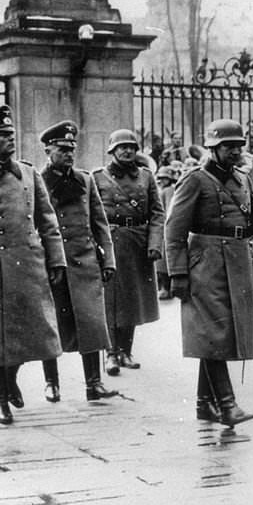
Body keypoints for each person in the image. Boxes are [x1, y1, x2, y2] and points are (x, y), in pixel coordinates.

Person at [0, 105, 66, 424]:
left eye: (12, 135)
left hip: (28, 265)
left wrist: (56, 259)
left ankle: (9, 380)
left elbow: (47, 220)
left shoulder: (29, 173)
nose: (11, 140)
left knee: (28, 330)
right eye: (3, 136)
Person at [165, 119, 253, 427]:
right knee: (212, 333)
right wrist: (178, 273)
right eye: (228, 146)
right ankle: (226, 404)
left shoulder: (243, 179)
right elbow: (174, 228)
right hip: (206, 262)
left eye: (239, 146)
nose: (236, 152)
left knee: (218, 333)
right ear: (213, 148)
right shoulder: (195, 180)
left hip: (237, 260)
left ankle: (203, 404)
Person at [38, 121, 119, 403]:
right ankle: (52, 383)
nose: (69, 154)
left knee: (92, 322)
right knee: (53, 324)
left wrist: (108, 259)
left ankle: (93, 384)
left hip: (85, 261)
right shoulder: (38, 181)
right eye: (62, 149)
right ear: (48, 150)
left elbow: (100, 222)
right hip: (54, 264)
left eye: (72, 149)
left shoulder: (85, 180)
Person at [94, 130, 165, 375]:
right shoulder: (98, 178)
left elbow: (157, 213)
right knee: (111, 299)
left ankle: (126, 350)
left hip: (137, 242)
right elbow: (92, 214)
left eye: (131, 147)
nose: (127, 151)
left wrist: (154, 243)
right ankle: (111, 353)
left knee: (133, 299)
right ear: (112, 151)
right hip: (111, 242)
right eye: (122, 147)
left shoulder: (146, 177)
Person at [154, 165, 177, 300]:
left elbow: (168, 209)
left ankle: (166, 288)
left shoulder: (168, 191)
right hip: (162, 227)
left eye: (164, 178)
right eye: (160, 178)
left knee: (163, 262)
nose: (162, 181)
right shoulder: (164, 190)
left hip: (164, 228)